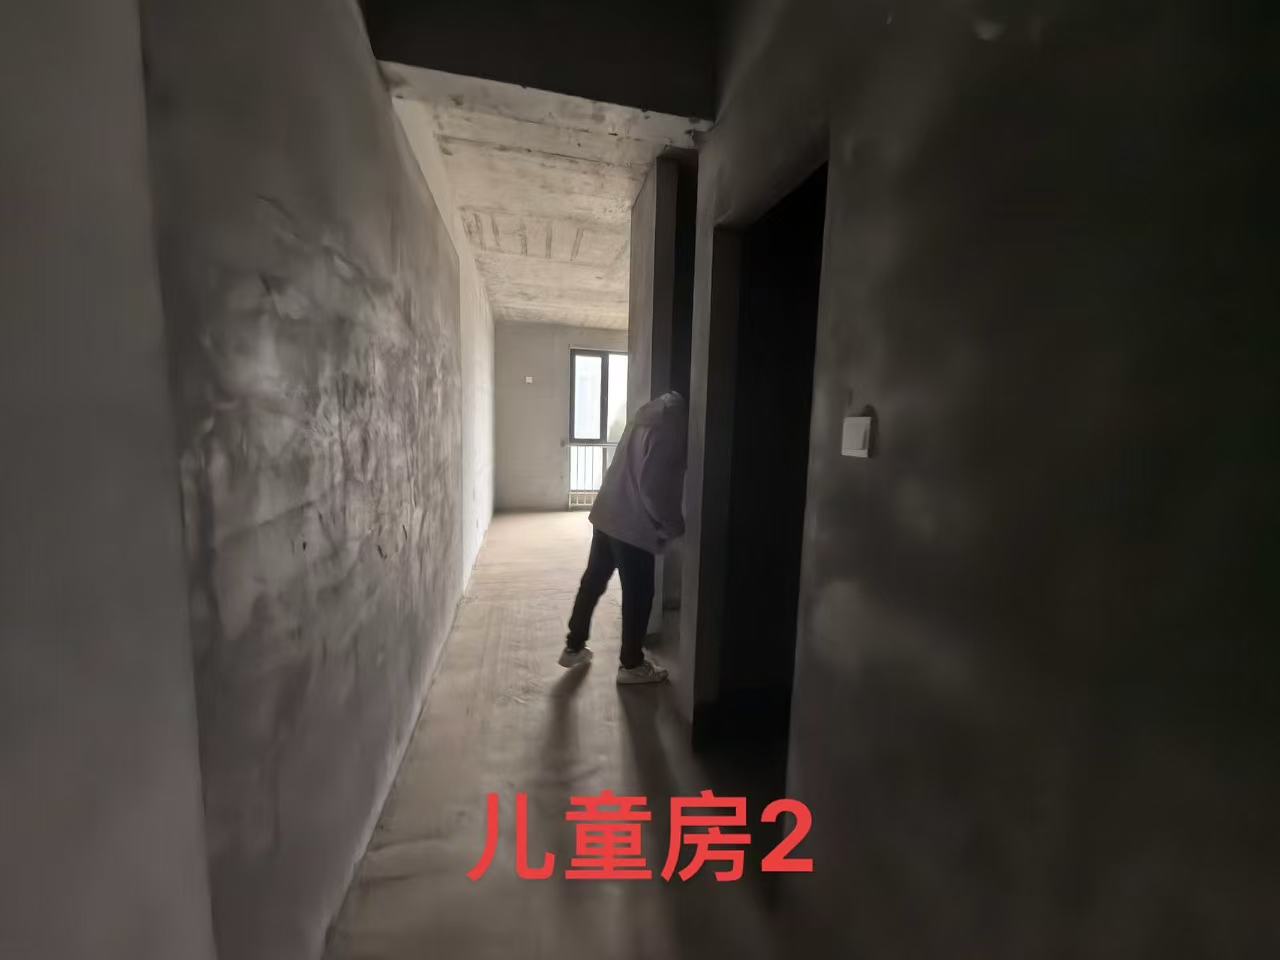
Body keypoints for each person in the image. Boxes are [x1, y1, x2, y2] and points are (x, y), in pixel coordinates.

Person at [560, 390, 688, 683]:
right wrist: (672, 525)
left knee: (593, 581)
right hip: (633, 525)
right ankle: (631, 665)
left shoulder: (645, 414)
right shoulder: (673, 424)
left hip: (607, 512)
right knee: (639, 594)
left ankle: (573, 647)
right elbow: (653, 487)